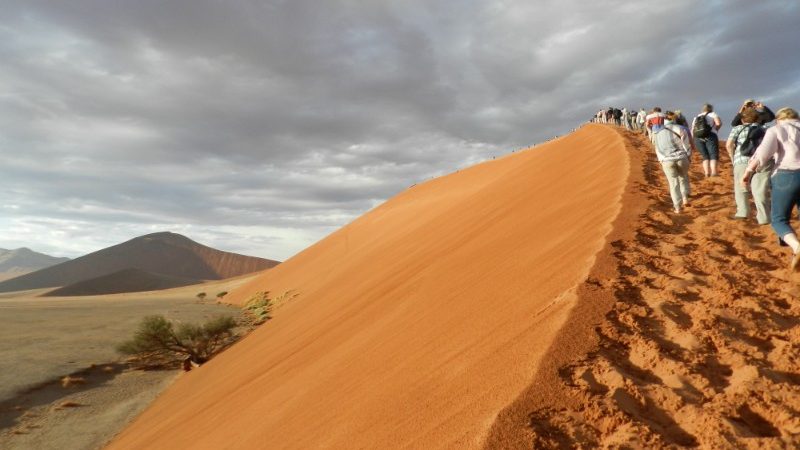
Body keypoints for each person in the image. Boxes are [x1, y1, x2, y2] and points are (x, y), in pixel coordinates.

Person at [741, 107, 800, 270]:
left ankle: (796, 247)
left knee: (779, 219)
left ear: (779, 119)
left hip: (786, 174)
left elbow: (762, 153)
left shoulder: (776, 129)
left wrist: (748, 171)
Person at [727, 108, 770, 223]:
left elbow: (729, 144)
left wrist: (732, 158)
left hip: (742, 160)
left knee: (741, 187)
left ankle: (743, 212)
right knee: (760, 190)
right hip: (762, 160)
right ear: (757, 118)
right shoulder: (765, 129)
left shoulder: (737, 128)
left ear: (742, 119)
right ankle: (764, 217)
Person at [654, 111, 692, 213]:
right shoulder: (679, 128)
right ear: (673, 119)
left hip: (667, 160)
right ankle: (685, 198)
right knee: (683, 177)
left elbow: (657, 148)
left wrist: (661, 160)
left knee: (673, 183)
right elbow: (686, 143)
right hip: (681, 157)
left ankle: (677, 207)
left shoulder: (657, 133)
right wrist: (688, 155)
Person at [692, 104, 722, 177]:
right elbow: (718, 123)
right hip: (710, 135)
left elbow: (692, 129)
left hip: (698, 137)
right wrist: (716, 129)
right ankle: (714, 172)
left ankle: (706, 173)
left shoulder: (697, 117)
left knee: (705, 156)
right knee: (713, 155)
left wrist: (693, 139)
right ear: (711, 108)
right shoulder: (713, 114)